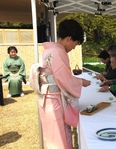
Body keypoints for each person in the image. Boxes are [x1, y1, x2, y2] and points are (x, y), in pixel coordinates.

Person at [33, 19, 90, 149]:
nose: (73, 48)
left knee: (53, 137)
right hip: (54, 100)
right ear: (69, 39)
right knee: (61, 139)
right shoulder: (58, 52)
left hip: (47, 99)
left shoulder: (49, 50)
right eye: (74, 45)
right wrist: (81, 82)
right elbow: (64, 79)